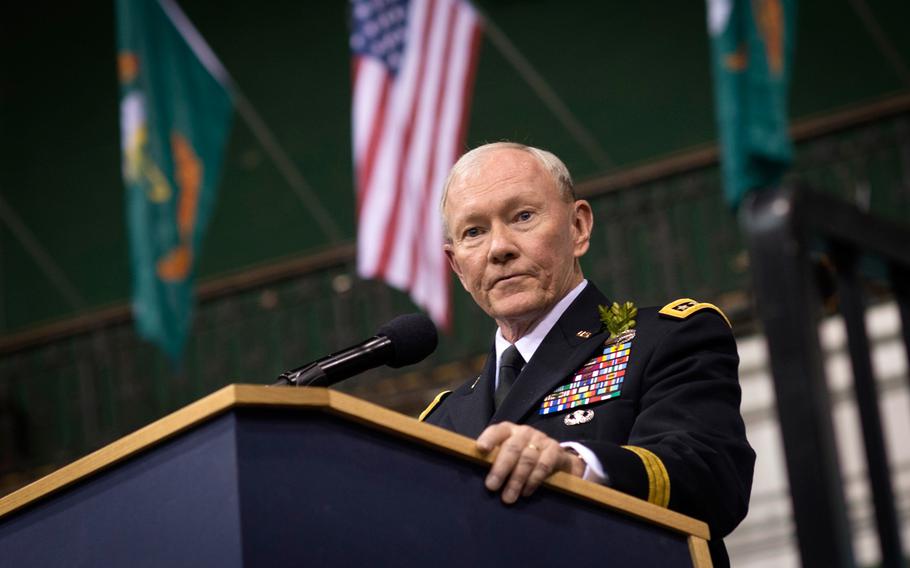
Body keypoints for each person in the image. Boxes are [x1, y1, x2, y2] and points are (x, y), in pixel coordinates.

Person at [419, 142, 754, 565]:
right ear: (456, 267)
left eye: (522, 216)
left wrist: (579, 467)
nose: (498, 248)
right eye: (474, 232)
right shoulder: (439, 421)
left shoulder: (664, 339)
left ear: (578, 227)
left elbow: (714, 478)